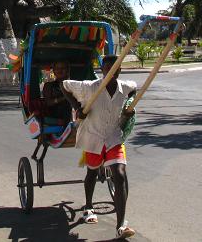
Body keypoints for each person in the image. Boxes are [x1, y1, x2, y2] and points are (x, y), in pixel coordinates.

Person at [61, 55, 137, 239]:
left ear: (119, 70)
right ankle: (88, 206)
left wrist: (128, 103)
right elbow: (64, 85)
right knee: (92, 173)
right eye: (108, 68)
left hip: (113, 137)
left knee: (119, 175)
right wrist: (77, 107)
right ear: (102, 69)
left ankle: (121, 225)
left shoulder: (124, 87)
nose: (112, 71)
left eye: (116, 68)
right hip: (93, 137)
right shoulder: (90, 87)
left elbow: (134, 88)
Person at [41, 60, 72, 125]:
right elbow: (48, 103)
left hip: (73, 118)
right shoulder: (49, 85)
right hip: (55, 118)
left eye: (63, 68)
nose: (60, 71)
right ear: (54, 71)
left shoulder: (73, 84)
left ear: (68, 70)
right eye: (57, 68)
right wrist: (65, 97)